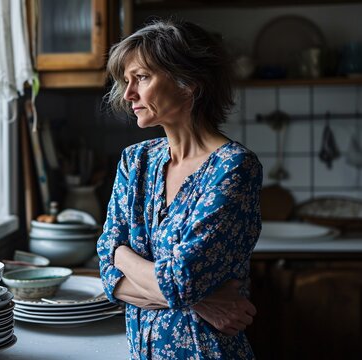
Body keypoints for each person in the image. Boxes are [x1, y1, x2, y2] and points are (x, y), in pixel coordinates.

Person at [97, 19, 263, 359]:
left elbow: (179, 282)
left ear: (188, 82)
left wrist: (121, 255)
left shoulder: (233, 167)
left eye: (141, 78)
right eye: (126, 81)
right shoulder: (136, 160)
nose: (129, 94)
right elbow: (105, 267)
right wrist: (203, 302)